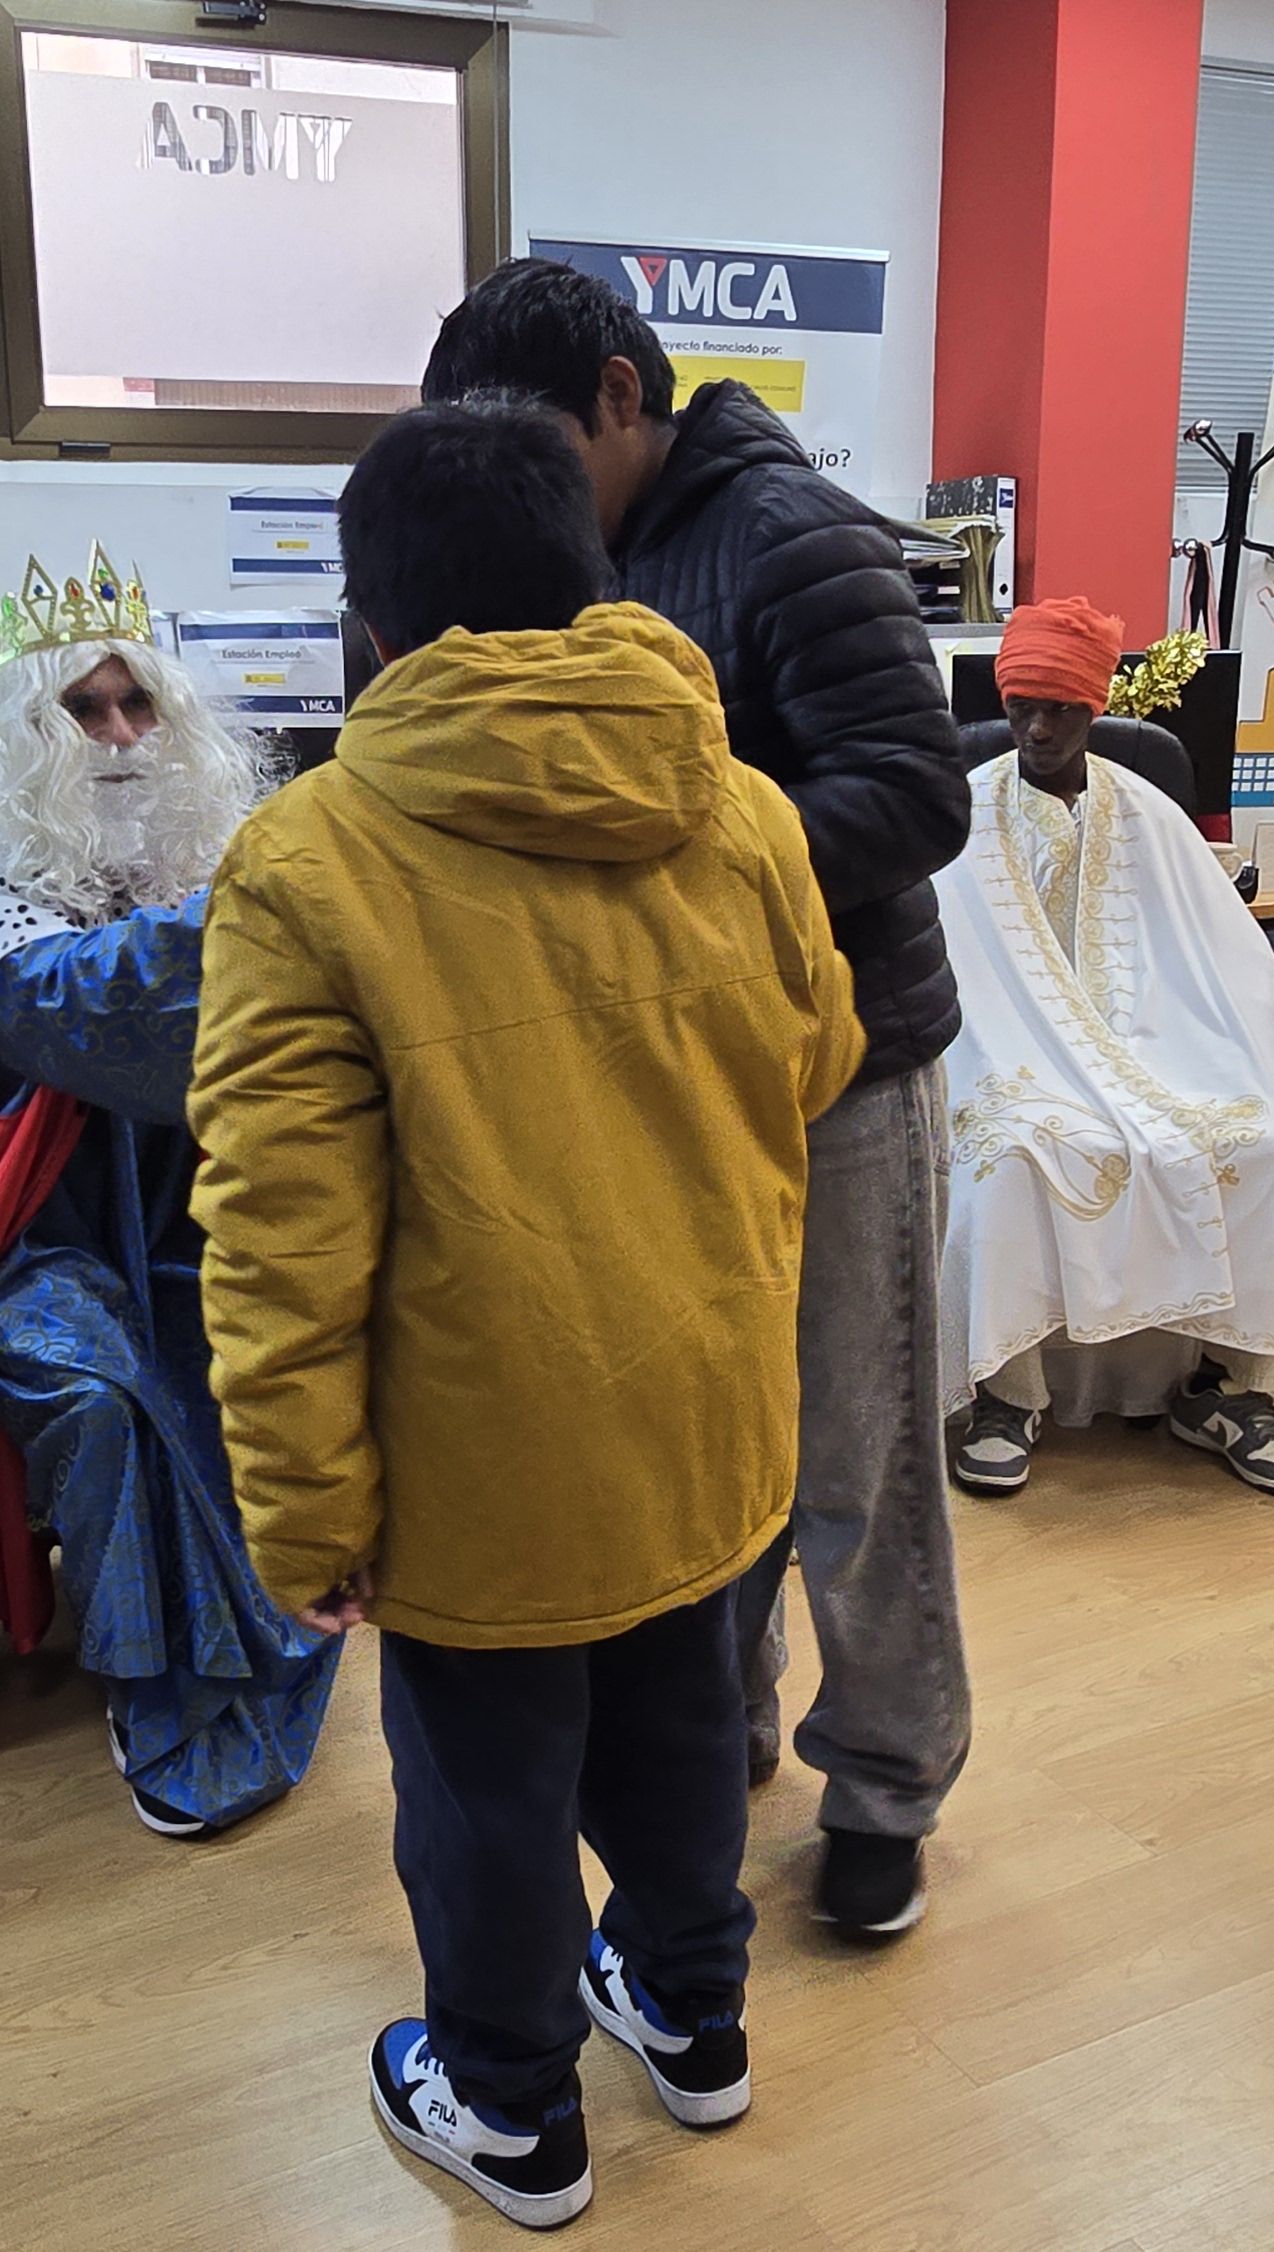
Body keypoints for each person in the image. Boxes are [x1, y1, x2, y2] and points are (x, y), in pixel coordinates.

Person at [191, 398, 860, 2230]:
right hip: (712, 1398)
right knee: (675, 1734)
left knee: (485, 1792)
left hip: (483, 1452)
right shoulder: (736, 806)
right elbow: (826, 1055)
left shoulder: (307, 861)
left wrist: (307, 1510)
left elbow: (278, 1236)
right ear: (593, 575)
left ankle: (510, 2111)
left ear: (374, 625)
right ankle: (696, 2024)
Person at [423, 257, 973, 1938]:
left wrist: (699, 866)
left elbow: (917, 792)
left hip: (847, 1067)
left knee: (853, 1456)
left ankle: (883, 1779)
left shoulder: (790, 531)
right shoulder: (595, 546)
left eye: (526, 437)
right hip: (690, 1074)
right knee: (710, 1435)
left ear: (613, 392)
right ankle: (727, 1722)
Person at [0, 548, 336, 1836]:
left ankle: (278, 1608)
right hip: (23, 1253)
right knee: (105, 1395)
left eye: (137, 705)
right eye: (83, 709)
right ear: (24, 735)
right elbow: (94, 1016)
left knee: (280, 1344)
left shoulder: (209, 865)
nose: (117, 735)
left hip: (201, 1225)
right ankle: (149, 1671)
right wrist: (275, 893)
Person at [932, 598, 1274, 1499]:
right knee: (1014, 1158)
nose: (1039, 730)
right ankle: (1009, 1394)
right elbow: (952, 959)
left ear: (1095, 710)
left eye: (1062, 711)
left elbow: (1219, 956)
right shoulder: (958, 810)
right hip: (1008, 1059)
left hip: (1161, 1057)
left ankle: (1228, 1392)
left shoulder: (1151, 812)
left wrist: (1214, 1061)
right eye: (1021, 711)